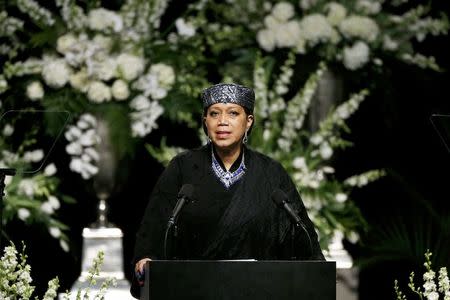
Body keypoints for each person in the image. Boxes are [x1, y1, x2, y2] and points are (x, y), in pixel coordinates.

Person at [131, 83, 324, 297]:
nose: (223, 122)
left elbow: (300, 235)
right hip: (192, 290)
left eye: (233, 113)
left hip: (259, 290)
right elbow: (155, 226)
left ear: (248, 121)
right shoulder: (182, 168)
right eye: (214, 114)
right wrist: (146, 258)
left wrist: (315, 269)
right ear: (205, 121)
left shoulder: (270, 172)